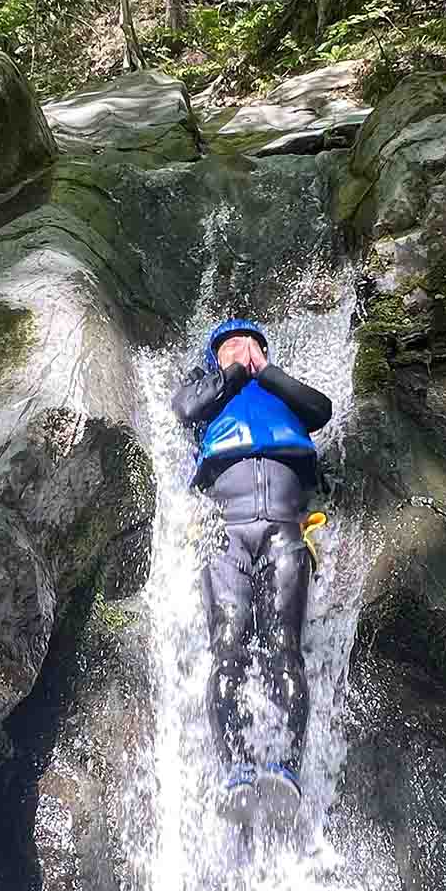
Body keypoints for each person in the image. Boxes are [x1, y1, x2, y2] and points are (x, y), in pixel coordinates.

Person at [172, 319, 332, 826]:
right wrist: (235, 374)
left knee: (286, 647)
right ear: (214, 359)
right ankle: (235, 769)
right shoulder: (207, 394)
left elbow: (321, 410)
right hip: (226, 533)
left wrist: (266, 371)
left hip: (286, 529)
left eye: (251, 345)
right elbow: (185, 409)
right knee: (229, 648)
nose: (242, 350)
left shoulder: (286, 394)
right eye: (230, 347)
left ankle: (286, 767)